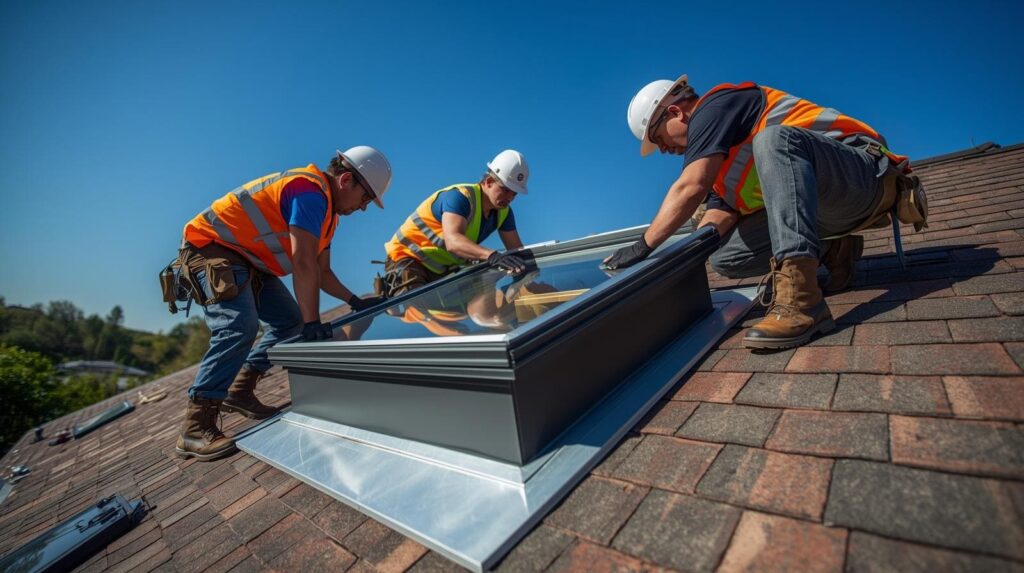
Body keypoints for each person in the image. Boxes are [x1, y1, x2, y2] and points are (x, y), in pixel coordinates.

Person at [605, 73, 911, 350]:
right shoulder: (721, 163)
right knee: (724, 256)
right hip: (827, 211)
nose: (663, 149)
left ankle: (803, 304)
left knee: (775, 139)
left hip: (865, 178)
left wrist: (643, 246)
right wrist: (681, 264)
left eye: (659, 139)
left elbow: (691, 186)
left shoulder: (716, 106)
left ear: (675, 112)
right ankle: (834, 249)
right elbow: (718, 216)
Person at [172, 146, 392, 461]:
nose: (363, 208)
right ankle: (195, 427)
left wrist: (355, 301)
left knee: (292, 323)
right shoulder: (309, 193)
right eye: (366, 198)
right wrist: (314, 322)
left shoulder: (328, 215)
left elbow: (322, 272)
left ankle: (240, 390)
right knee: (239, 326)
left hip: (247, 261)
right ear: (346, 180)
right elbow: (303, 262)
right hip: (212, 249)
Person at [378, 150, 531, 298]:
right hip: (409, 260)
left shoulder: (503, 213)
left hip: (442, 271)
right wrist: (492, 256)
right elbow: (453, 242)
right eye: (505, 190)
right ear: (489, 182)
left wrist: (532, 278)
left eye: (514, 193)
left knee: (461, 319)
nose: (510, 197)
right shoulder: (460, 198)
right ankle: (374, 305)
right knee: (419, 314)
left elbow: (516, 251)